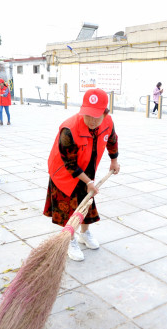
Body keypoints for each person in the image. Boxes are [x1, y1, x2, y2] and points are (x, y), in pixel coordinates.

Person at [44, 88, 121, 262]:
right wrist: (88, 181)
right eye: (88, 115)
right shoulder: (69, 129)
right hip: (63, 172)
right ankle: (70, 240)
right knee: (69, 207)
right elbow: (69, 164)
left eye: (96, 116)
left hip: (87, 169)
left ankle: (84, 234)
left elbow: (112, 140)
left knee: (87, 202)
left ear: (105, 113)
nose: (92, 120)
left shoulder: (108, 122)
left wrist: (114, 161)